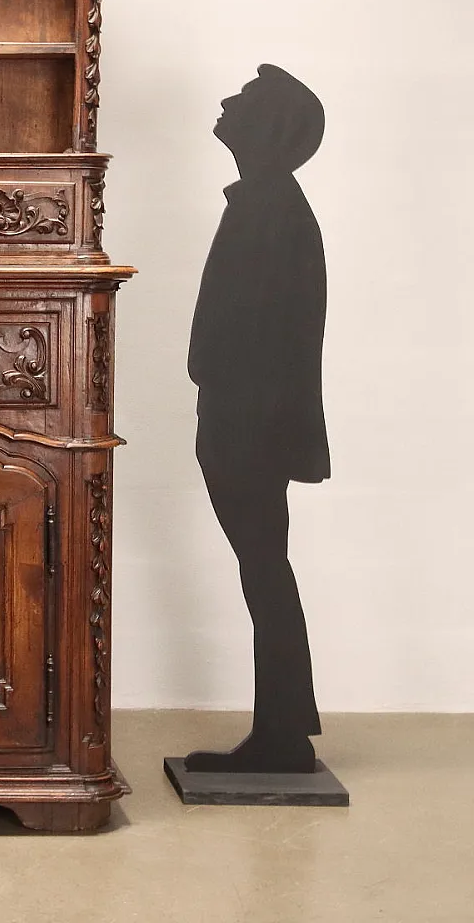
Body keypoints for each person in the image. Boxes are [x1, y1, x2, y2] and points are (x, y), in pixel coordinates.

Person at [184, 64, 330, 773]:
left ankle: (282, 734)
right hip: (244, 416)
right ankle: (284, 728)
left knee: (263, 568)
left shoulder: (271, 208)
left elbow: (270, 334)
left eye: (242, 100)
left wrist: (240, 416)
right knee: (264, 568)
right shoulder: (266, 202)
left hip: (249, 421)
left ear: (267, 127)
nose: (225, 102)